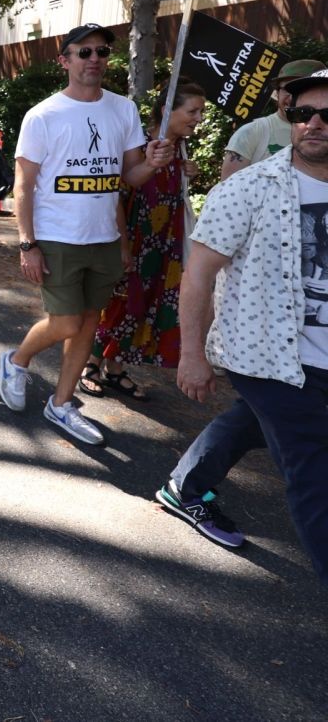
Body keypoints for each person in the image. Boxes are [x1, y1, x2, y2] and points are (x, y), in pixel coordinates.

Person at [171, 67, 328, 582]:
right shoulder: (248, 188)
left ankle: (184, 486)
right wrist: (192, 353)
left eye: (327, 115)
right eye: (304, 113)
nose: (314, 124)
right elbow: (198, 276)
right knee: (314, 474)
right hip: (267, 358)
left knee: (252, 425)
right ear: (290, 115)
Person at [0, 24, 174, 446]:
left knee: (89, 322)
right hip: (57, 235)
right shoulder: (43, 115)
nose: (94, 58)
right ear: (65, 61)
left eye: (101, 51)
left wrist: (153, 162)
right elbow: (24, 186)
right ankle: (16, 359)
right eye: (83, 52)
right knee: (66, 321)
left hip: (104, 237)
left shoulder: (123, 110)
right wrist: (28, 244)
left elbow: (128, 175)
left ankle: (61, 404)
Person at [82, 82, 207, 399]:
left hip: (165, 245)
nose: (199, 118)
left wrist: (186, 172)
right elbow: (117, 197)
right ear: (167, 111)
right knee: (119, 301)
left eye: (201, 112)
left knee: (143, 305)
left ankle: (116, 367)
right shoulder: (140, 145)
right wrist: (122, 245)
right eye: (192, 111)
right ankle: (90, 364)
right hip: (134, 241)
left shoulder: (179, 148)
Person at [220, 60, 325, 180]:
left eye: (303, 90)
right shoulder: (252, 132)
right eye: (287, 89)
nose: (292, 97)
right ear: (277, 93)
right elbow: (228, 187)